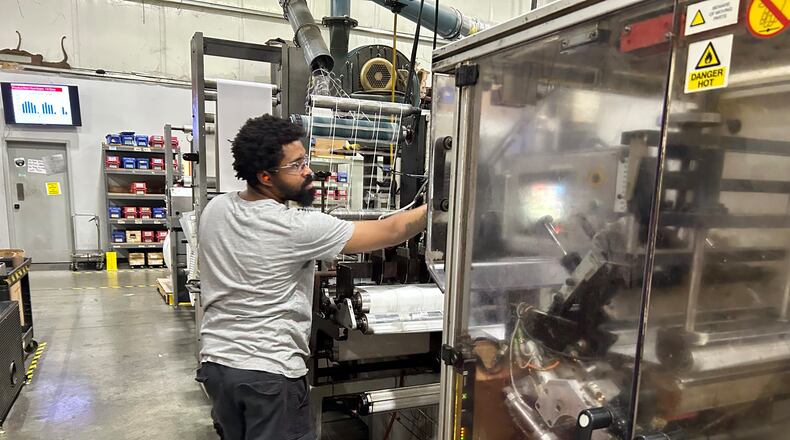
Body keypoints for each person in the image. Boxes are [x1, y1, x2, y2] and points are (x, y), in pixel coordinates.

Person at [195, 115, 427, 440]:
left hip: (218, 368)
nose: (308, 171)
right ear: (265, 176)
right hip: (269, 376)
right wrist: (441, 206)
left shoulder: (215, 209)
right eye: (296, 165)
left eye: (305, 159)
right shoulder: (295, 227)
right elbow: (392, 230)